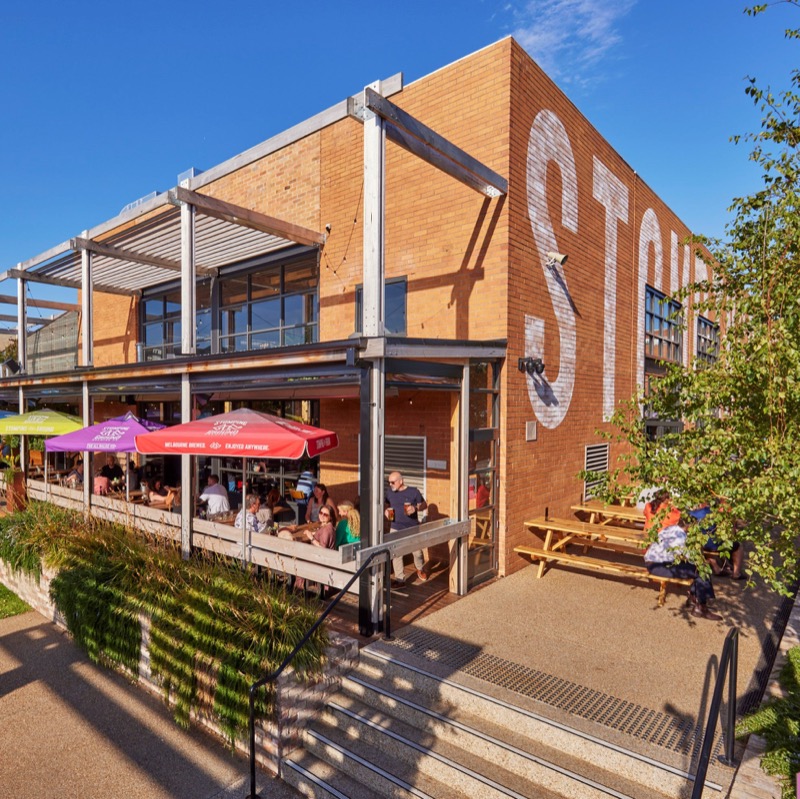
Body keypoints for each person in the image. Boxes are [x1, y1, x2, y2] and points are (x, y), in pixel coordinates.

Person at [644, 521, 721, 621]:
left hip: (653, 563)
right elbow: (693, 559)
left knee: (697, 568)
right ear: (690, 526)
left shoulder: (670, 528)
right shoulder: (681, 537)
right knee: (702, 570)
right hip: (658, 566)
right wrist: (711, 562)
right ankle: (701, 607)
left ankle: (695, 597)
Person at [385, 470, 428, 586]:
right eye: (389, 482)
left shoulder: (413, 491)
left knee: (417, 552)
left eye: (393, 482)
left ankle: (420, 568)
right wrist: (386, 511)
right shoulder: (389, 493)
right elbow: (387, 504)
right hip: (395, 527)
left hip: (412, 527)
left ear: (401, 481)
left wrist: (415, 509)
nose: (390, 485)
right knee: (396, 553)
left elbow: (424, 505)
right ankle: (400, 579)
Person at [689, 503, 747, 580]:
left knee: (703, 540)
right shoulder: (720, 515)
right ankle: (736, 573)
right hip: (714, 545)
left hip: (700, 544)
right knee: (738, 546)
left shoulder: (693, 514)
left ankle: (716, 568)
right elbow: (731, 534)